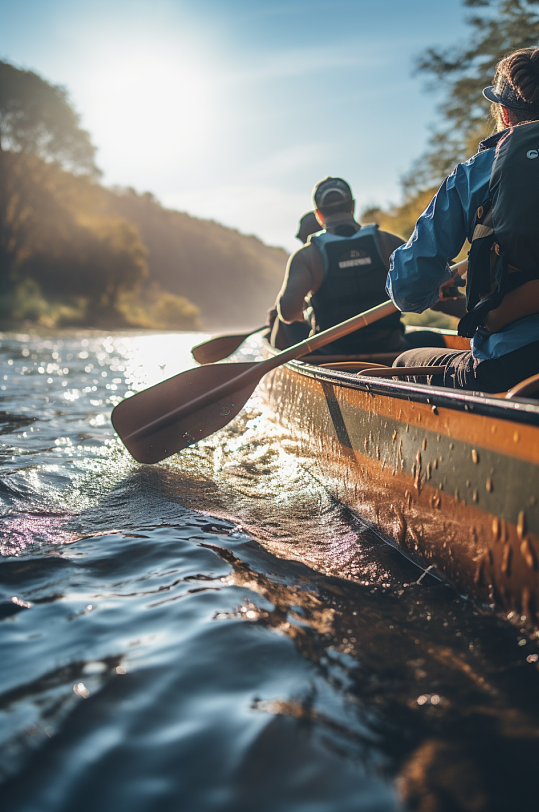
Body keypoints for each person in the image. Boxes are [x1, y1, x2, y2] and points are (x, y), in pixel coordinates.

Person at [387, 48, 539, 392]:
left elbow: (408, 289)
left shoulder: (475, 173)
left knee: (404, 362)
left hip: (511, 365)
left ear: (503, 111)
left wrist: (436, 282)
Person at [273, 177, 446, 354]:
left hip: (333, 355)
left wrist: (309, 313)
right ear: (352, 206)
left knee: (279, 320)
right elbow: (432, 287)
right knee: (433, 340)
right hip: (389, 348)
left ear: (318, 214)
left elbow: (288, 313)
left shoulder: (307, 256)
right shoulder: (388, 242)